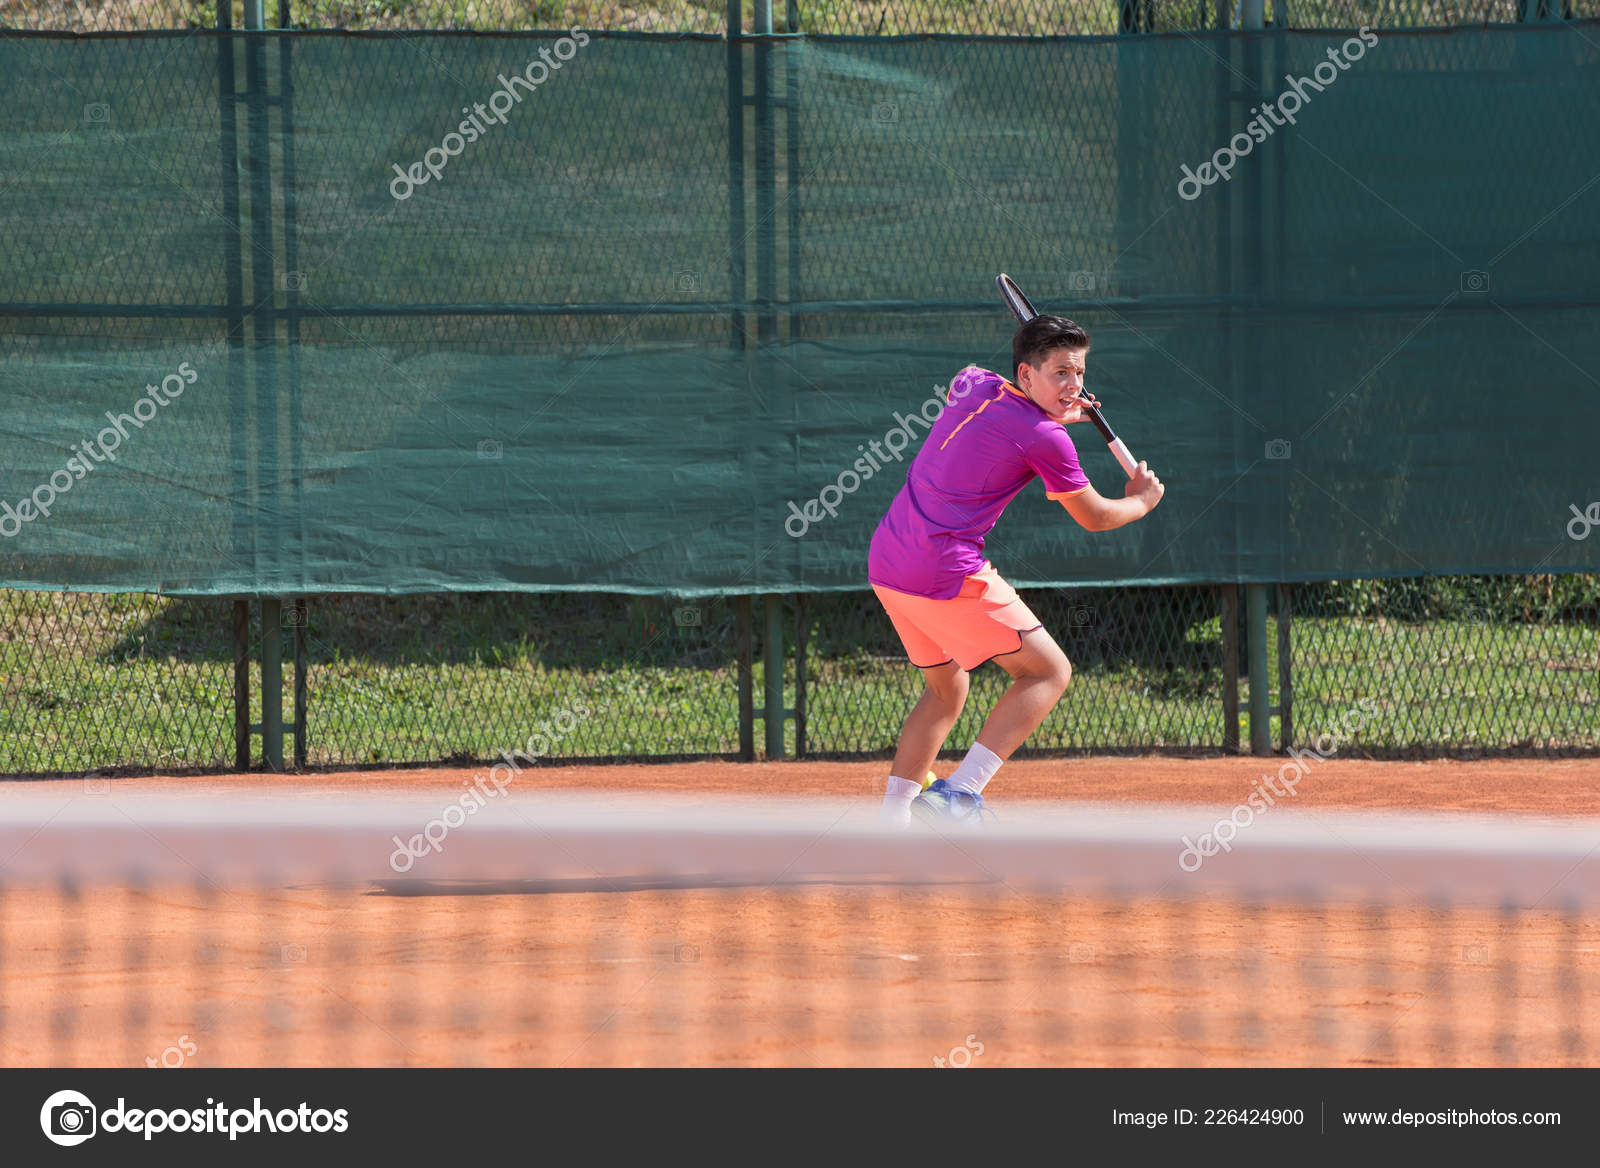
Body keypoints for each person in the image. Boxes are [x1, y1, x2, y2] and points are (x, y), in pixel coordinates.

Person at [868, 315, 1165, 827]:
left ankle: (892, 826)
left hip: (888, 562)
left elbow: (971, 394)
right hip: (945, 569)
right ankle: (956, 796)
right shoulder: (1047, 439)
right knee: (1048, 672)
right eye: (1060, 374)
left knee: (948, 688)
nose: (1074, 386)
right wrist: (1139, 502)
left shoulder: (977, 383)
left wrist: (1043, 414)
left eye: (1079, 374)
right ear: (1026, 375)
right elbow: (1094, 517)